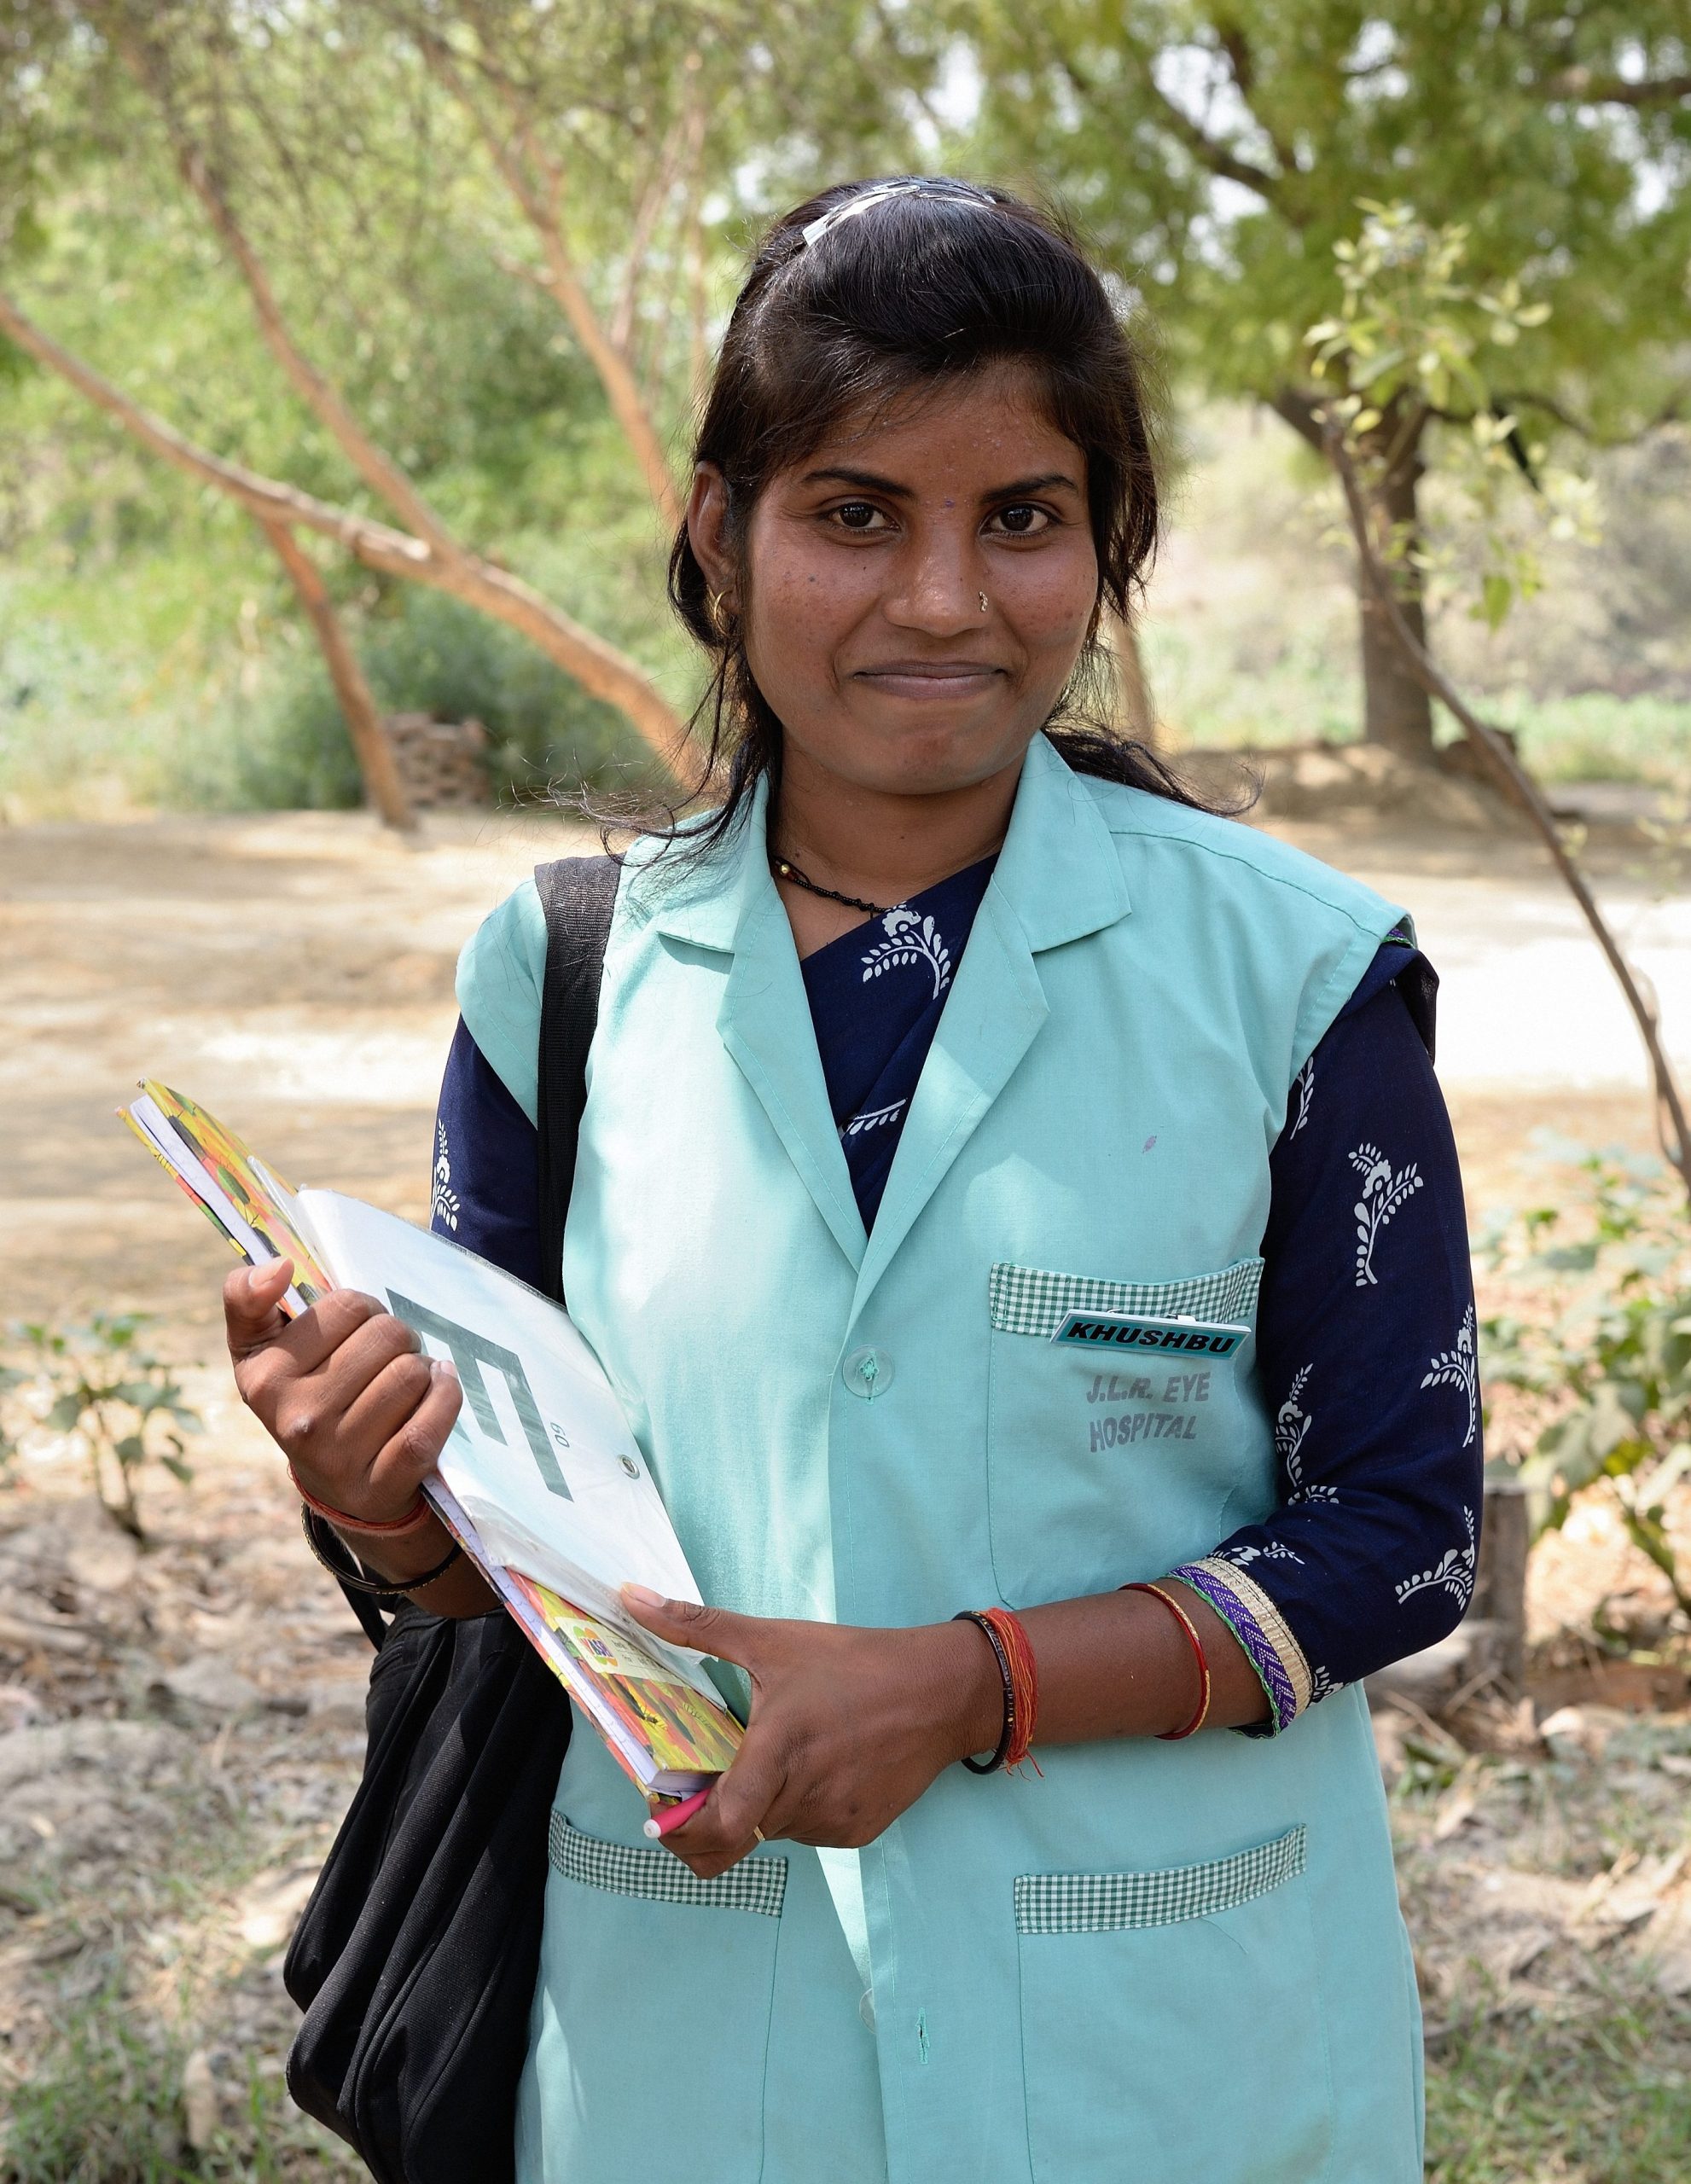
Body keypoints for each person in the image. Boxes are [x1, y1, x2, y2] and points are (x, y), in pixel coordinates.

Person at [225, 177, 1482, 2184]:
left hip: (1171, 2060)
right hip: (685, 2050)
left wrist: (966, 1683)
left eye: (1021, 516)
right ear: (722, 536)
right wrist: (376, 1493)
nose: (940, 600)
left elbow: (1403, 1531)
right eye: (853, 512)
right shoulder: (566, 978)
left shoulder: (1297, 976)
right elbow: (511, 1553)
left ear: (1107, 542)